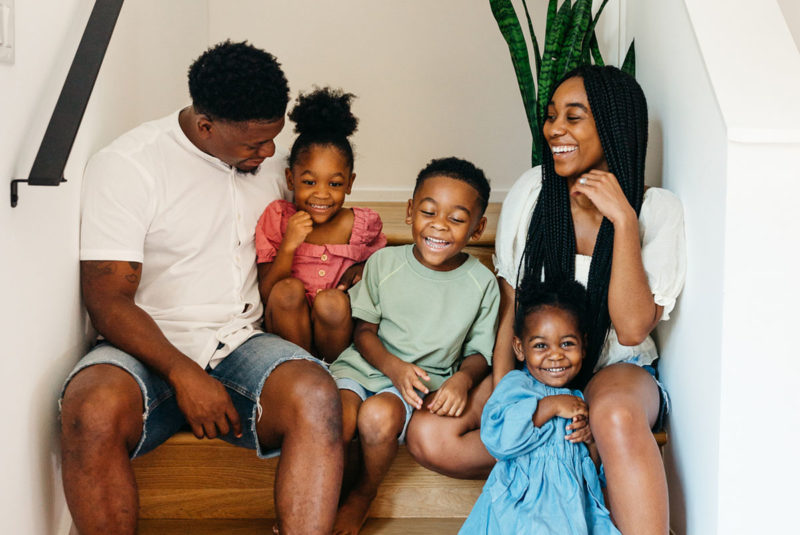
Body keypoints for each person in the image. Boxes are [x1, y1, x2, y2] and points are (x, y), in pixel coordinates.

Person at [58, 41, 343, 535]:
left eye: (274, 137)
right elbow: (106, 298)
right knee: (90, 408)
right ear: (206, 127)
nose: (270, 152)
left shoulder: (272, 167)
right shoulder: (129, 165)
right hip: (146, 346)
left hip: (241, 342)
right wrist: (184, 374)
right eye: (254, 143)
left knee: (318, 395)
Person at [409, 65, 686, 534]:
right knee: (427, 434)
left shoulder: (656, 210)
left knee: (613, 415)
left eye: (573, 117)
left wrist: (621, 218)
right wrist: (505, 397)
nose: (554, 129)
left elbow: (633, 327)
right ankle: (561, 463)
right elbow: (511, 307)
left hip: (615, 371)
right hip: (537, 372)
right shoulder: (535, 191)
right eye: (552, 115)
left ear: (612, 126)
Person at [328, 157, 500, 534]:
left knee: (376, 418)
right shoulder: (384, 263)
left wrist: (462, 381)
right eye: (428, 211)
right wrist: (393, 366)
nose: (439, 225)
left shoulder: (481, 283)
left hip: (419, 386)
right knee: (334, 419)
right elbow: (363, 332)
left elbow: (479, 353)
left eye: (456, 219)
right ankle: (320, 499)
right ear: (410, 211)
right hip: (362, 367)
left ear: (478, 227)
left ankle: (363, 494)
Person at [459, 279, 619, 535]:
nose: (555, 355)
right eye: (541, 346)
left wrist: (589, 438)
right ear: (520, 348)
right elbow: (498, 440)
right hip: (522, 506)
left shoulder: (577, 398)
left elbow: (590, 464)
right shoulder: (516, 385)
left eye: (567, 343)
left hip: (569, 508)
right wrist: (549, 407)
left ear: (583, 345)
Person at [255, 87, 386, 363]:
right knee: (287, 291)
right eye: (309, 182)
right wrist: (290, 244)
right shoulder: (279, 219)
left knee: (332, 301)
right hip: (287, 327)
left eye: (335, 184)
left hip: (336, 334)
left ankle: (333, 372)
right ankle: (301, 369)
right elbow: (268, 292)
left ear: (350, 184)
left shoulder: (361, 225)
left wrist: (359, 270)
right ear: (291, 180)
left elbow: (380, 270)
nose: (322, 194)